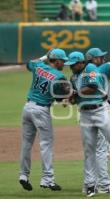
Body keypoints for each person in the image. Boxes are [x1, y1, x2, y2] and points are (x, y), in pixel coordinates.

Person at [66, 35, 110, 197]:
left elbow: (91, 87)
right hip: (85, 113)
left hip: (100, 110)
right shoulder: (74, 77)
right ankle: (91, 185)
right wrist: (70, 98)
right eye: (100, 56)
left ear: (81, 62)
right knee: (89, 150)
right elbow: (76, 97)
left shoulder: (93, 69)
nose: (70, 67)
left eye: (72, 64)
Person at [19, 49, 69, 192]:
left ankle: (23, 175)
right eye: (63, 61)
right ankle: (47, 179)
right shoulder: (59, 76)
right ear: (57, 60)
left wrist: (44, 57)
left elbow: (29, 64)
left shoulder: (39, 66)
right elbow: (59, 98)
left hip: (27, 108)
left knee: (26, 143)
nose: (64, 63)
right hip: (41, 111)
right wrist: (65, 98)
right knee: (46, 144)